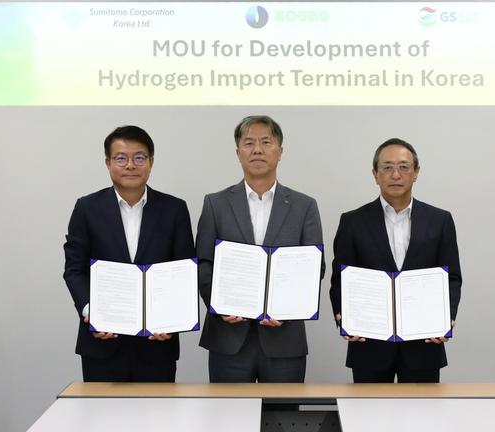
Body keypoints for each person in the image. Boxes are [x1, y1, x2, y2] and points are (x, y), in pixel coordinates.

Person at [197, 115, 324, 383]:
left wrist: (289, 310)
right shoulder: (215, 204)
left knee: (282, 410)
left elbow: (315, 267)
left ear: (280, 152)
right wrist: (219, 305)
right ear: (238, 153)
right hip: (228, 340)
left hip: (284, 340)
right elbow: (203, 263)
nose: (257, 150)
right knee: (229, 410)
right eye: (249, 143)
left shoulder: (304, 206)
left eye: (266, 142)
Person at [63, 125, 195, 382]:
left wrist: (173, 320)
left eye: (139, 157)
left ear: (151, 162)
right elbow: (74, 270)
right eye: (121, 158)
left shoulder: (174, 209)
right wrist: (92, 313)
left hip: (157, 344)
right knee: (103, 410)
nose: (131, 165)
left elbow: (184, 271)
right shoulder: (87, 208)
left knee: (157, 409)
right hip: (102, 344)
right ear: (108, 163)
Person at [329, 138, 462, 383]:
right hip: (369, 343)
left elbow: (452, 277)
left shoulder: (440, 220)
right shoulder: (353, 221)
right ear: (375, 174)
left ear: (416, 172)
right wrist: (343, 315)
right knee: (369, 408)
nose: (396, 175)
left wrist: (446, 318)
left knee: (422, 408)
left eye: (403, 167)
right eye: (387, 167)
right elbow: (340, 278)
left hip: (424, 342)